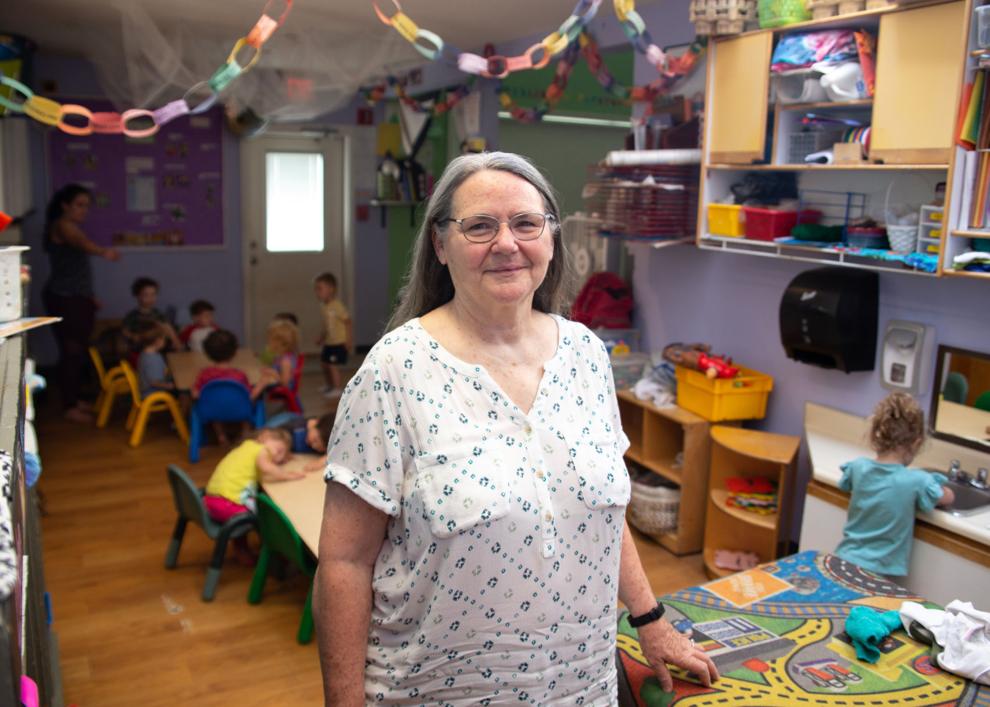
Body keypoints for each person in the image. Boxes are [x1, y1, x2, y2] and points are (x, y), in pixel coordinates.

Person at [313, 152, 719, 705]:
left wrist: (650, 619)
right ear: (440, 244)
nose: (507, 243)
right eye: (480, 226)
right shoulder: (393, 371)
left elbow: (600, 510)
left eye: (526, 223)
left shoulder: (585, 355)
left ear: (551, 236)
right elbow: (344, 562)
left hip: (581, 688)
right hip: (432, 690)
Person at [836, 392, 955, 578]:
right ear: (916, 443)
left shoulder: (858, 467)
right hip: (878, 574)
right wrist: (941, 487)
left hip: (843, 561)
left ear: (875, 436)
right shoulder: (916, 481)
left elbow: (845, 484)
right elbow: (946, 497)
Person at [42, 183, 120, 423]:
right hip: (65, 298)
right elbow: (79, 243)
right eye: (79, 205)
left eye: (87, 206)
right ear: (65, 205)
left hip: (77, 297)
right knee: (71, 350)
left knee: (78, 351)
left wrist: (89, 296)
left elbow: (78, 270)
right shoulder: (62, 226)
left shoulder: (70, 226)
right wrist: (102, 251)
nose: (84, 210)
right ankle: (69, 406)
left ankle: (75, 400)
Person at [203, 427, 303, 564]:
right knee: (267, 516)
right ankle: (275, 554)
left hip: (212, 500)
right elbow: (266, 467)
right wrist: (287, 475)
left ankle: (242, 550)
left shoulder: (246, 447)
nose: (277, 457)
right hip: (227, 504)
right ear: (264, 436)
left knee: (251, 511)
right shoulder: (261, 449)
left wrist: (281, 459)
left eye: (282, 456)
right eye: (279, 450)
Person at [194, 329, 272, 445]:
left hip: (212, 412)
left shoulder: (204, 374)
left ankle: (221, 435)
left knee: (215, 403)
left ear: (207, 353)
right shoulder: (239, 375)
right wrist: (262, 384)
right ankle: (244, 433)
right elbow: (250, 396)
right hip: (241, 411)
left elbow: (195, 394)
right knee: (249, 403)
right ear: (235, 352)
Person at [313, 272, 352, 398]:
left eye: (320, 288)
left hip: (338, 342)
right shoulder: (324, 306)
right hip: (329, 342)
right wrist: (321, 337)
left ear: (331, 289)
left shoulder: (337, 305)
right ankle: (329, 385)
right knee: (324, 363)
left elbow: (348, 322)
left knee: (332, 365)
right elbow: (326, 325)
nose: (317, 292)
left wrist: (348, 340)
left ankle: (337, 388)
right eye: (316, 289)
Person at [122, 277, 181, 350]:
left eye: (153, 294)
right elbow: (125, 332)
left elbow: (169, 329)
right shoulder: (132, 316)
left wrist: (176, 342)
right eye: (146, 295)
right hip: (139, 351)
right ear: (137, 296)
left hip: (159, 349)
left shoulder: (158, 314)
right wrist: (134, 336)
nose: (150, 298)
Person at [134, 320, 174, 396]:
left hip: (148, 391)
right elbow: (154, 382)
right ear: (158, 341)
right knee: (182, 391)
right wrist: (171, 386)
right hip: (152, 395)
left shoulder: (144, 353)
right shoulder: (153, 359)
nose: (165, 340)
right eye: (164, 338)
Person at [266, 318, 301, 389]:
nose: (268, 342)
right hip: (276, 383)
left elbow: (285, 383)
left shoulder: (286, 361)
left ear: (278, 343)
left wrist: (274, 374)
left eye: (269, 339)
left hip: (283, 390)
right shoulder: (281, 356)